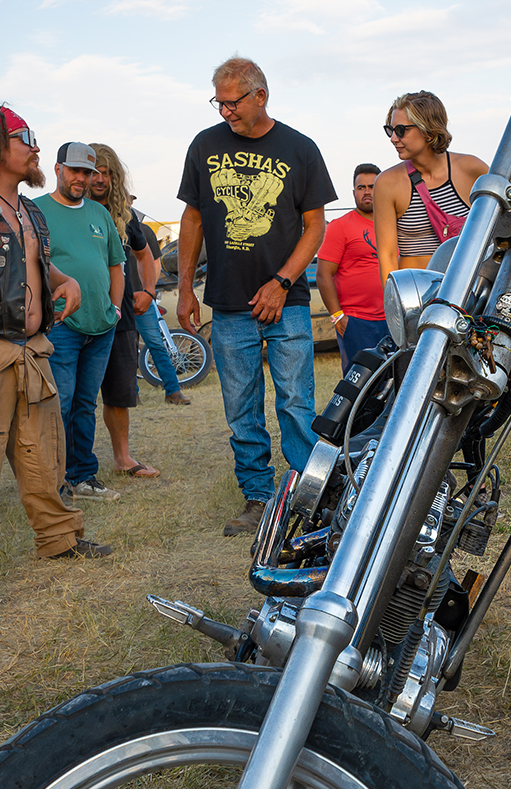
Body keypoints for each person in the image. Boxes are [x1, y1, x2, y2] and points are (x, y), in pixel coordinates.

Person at [0, 103, 114, 583]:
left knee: (44, 454)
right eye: (22, 135)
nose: (34, 144)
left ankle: (60, 540)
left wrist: (63, 279)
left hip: (33, 350)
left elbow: (32, 262)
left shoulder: (29, 209)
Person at [176, 56, 334, 536]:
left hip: (288, 303)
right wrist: (185, 287)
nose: (224, 112)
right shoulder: (205, 146)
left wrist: (282, 281)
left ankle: (311, 500)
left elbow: (315, 226)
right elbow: (194, 220)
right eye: (218, 103)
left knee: (295, 404)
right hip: (227, 304)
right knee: (240, 407)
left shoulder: (299, 148)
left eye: (232, 102)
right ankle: (258, 499)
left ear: (259, 96)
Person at [34, 142, 128, 502]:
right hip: (61, 325)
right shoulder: (35, 211)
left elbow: (115, 265)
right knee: (59, 402)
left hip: (101, 326)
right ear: (57, 169)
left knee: (85, 403)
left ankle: (83, 476)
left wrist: (115, 310)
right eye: (74, 171)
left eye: (87, 173)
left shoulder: (99, 214)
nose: (81, 179)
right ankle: (53, 483)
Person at [88, 143, 163, 478]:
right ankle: (73, 465)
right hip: (75, 316)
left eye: (107, 173)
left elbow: (145, 256)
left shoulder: (126, 217)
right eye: (94, 172)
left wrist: (148, 290)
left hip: (121, 319)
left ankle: (122, 458)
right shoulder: (68, 210)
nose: (100, 179)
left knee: (119, 394)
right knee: (76, 397)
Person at [373, 91, 487, 279]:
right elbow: (387, 256)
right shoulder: (387, 183)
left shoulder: (472, 169)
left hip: (472, 292)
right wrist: (395, 304)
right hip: (419, 296)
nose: (393, 138)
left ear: (428, 130)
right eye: (390, 130)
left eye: (401, 130)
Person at [316, 163, 387, 372]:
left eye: (373, 187)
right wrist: (337, 315)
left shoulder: (395, 224)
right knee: (360, 382)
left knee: (395, 381)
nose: (367, 192)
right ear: (354, 192)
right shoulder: (340, 226)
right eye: (361, 187)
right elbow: (323, 275)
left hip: (393, 318)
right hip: (357, 321)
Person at [128, 201, 188, 404]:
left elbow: (155, 262)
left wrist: (149, 291)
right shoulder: (104, 223)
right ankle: (132, 393)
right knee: (126, 347)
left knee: (156, 344)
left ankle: (173, 391)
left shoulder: (144, 230)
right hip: (117, 297)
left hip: (142, 297)